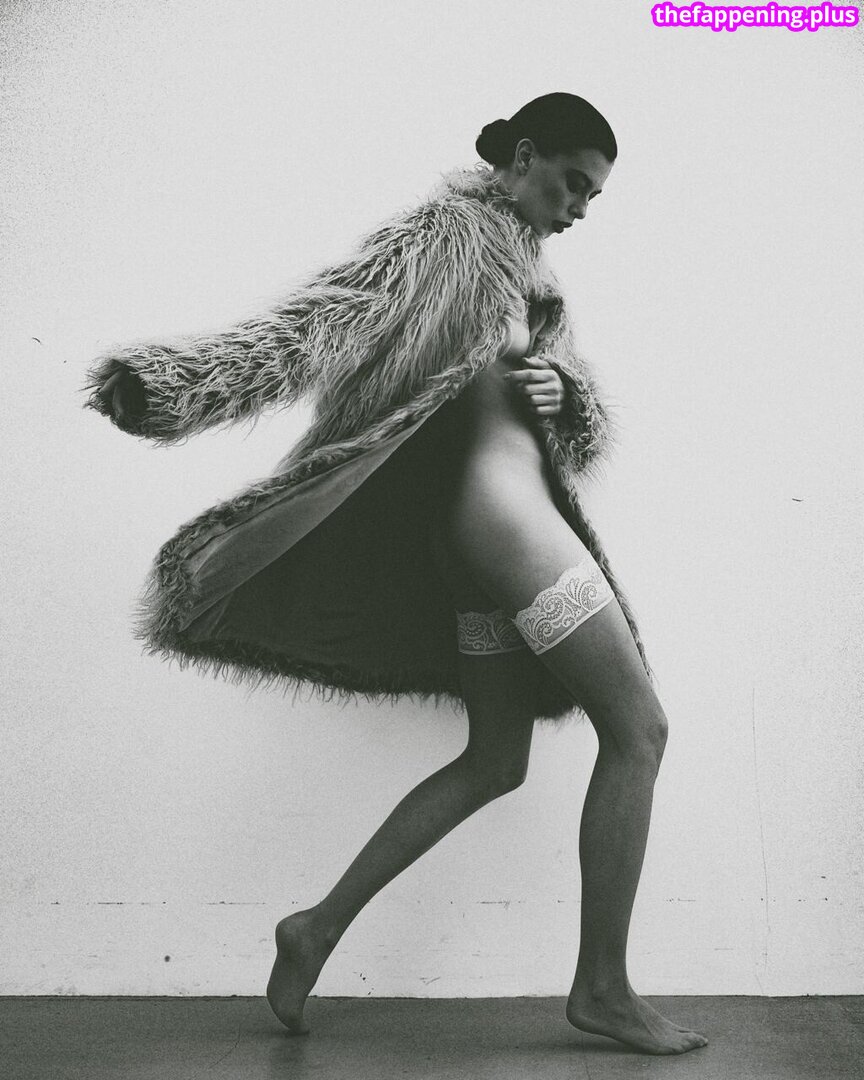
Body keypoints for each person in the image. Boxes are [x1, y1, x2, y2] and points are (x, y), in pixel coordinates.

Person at [84, 93, 708, 1056]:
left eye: (595, 195)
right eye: (572, 183)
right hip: (504, 527)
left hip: (485, 543)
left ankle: (315, 927)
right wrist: (175, 385)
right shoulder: (449, 235)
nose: (582, 207)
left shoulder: (534, 273)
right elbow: (320, 324)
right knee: (641, 731)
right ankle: (602, 987)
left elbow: (567, 431)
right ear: (523, 156)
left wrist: (568, 393)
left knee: (496, 760)